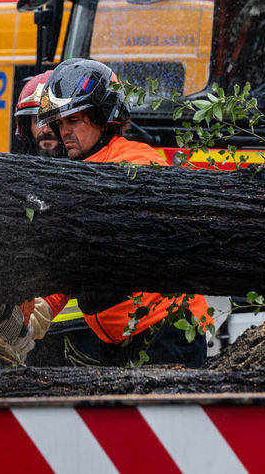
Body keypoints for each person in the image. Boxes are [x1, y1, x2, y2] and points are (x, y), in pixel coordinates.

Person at [34, 58, 210, 367]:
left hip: (167, 330)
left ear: (103, 118)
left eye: (74, 121)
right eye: (60, 123)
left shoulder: (135, 160)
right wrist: (42, 308)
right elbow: (72, 256)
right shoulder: (77, 173)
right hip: (117, 339)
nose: (64, 132)